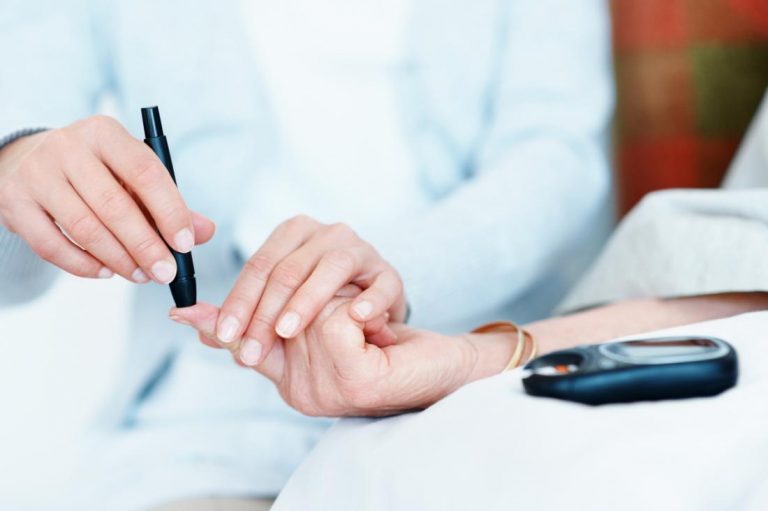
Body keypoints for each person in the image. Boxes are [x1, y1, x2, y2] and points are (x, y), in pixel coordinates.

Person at [0, 1, 612, 509]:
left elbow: (558, 162)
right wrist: (13, 164)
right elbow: (12, 276)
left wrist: (387, 277)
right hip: (215, 428)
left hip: (481, 387)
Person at [172, 91, 768, 509]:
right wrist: (471, 358)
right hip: (203, 428)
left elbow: (555, 161)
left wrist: (393, 287)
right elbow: (744, 255)